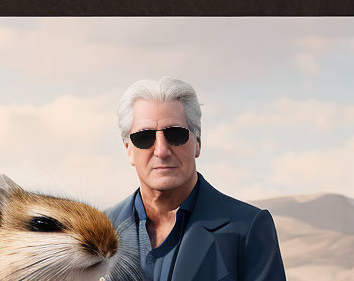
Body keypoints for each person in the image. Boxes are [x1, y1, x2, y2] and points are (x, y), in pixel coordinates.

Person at [108, 77, 287, 281]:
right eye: (144, 137)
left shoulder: (247, 228)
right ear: (128, 150)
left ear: (198, 143)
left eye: (175, 134)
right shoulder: (96, 232)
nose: (161, 150)